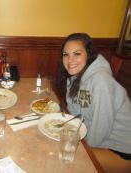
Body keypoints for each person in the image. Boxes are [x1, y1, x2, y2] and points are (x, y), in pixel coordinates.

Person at [56, 33, 131, 173]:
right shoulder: (74, 78)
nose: (70, 60)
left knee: (63, 157)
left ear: (89, 55)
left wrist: (73, 142)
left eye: (77, 54)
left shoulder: (101, 81)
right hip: (96, 140)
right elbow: (76, 114)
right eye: (66, 54)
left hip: (120, 149)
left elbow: (99, 133)